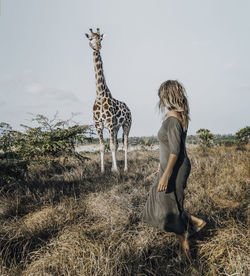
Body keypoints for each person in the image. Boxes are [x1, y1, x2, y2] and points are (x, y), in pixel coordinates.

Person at [142, 80, 206, 262]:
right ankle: (195, 222)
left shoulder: (173, 118)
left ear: (167, 95)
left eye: (162, 94)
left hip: (175, 170)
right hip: (169, 167)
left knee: (171, 208)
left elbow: (175, 151)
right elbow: (169, 148)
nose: (160, 99)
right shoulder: (176, 116)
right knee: (169, 206)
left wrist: (166, 174)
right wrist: (160, 169)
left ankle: (186, 256)